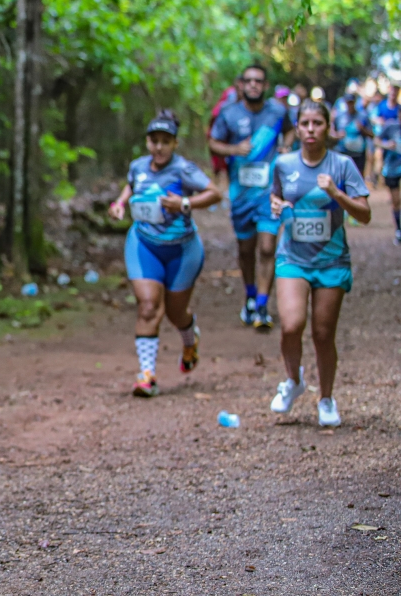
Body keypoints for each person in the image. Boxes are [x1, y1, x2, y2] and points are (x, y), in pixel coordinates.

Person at [269, 100, 371, 428]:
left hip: (331, 261)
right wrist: (277, 205)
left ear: (328, 127)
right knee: (291, 325)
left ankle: (326, 398)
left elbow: (365, 214)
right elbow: (276, 196)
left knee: (323, 334)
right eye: (305, 123)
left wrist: (337, 194)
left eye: (318, 123)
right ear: (297, 128)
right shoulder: (283, 164)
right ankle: (293, 380)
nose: (311, 129)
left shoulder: (342, 165)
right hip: (292, 257)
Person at [108, 111, 221, 397]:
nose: (159, 147)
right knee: (148, 306)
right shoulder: (138, 166)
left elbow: (214, 193)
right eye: (154, 141)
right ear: (147, 142)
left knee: (175, 312)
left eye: (165, 141)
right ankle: (146, 375)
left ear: (174, 144)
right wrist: (119, 203)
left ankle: (190, 339)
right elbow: (131, 186)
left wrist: (184, 203)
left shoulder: (183, 169)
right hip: (144, 244)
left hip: (182, 250)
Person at [209, 64, 295, 331]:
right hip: (241, 194)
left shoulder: (277, 111)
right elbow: (213, 142)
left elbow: (290, 129)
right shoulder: (229, 113)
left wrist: (286, 145)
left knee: (267, 248)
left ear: (266, 85)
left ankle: (262, 304)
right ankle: (249, 295)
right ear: (241, 85)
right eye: (249, 81)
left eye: (259, 81)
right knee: (246, 250)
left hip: (269, 193)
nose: (254, 85)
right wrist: (233, 149)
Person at [330, 93, 373, 175]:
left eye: (351, 102)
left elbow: (372, 135)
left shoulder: (363, 116)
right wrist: (338, 135)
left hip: (358, 154)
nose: (350, 105)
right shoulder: (339, 116)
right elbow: (332, 133)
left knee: (358, 175)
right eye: (348, 102)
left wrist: (362, 130)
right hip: (343, 152)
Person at [374, 118, 401, 244]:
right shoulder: (391, 126)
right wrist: (387, 145)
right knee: (396, 201)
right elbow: (376, 141)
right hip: (392, 170)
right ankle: (399, 230)